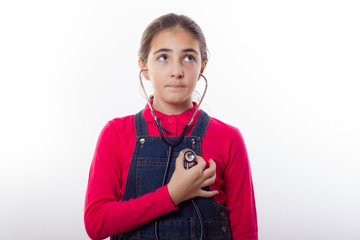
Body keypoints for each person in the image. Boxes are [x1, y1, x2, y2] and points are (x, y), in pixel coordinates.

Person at [84, 13, 258, 240]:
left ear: (202, 67)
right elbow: (96, 223)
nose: (176, 71)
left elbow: (245, 232)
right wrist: (172, 195)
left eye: (188, 58)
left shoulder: (229, 138)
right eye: (163, 57)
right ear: (144, 67)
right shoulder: (116, 133)